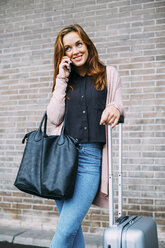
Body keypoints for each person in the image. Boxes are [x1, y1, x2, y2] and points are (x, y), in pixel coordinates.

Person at [47, 24, 124, 248]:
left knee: (65, 229)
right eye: (68, 48)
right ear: (63, 55)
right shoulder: (65, 79)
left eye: (78, 44)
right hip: (62, 159)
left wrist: (116, 110)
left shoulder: (108, 74)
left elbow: (117, 104)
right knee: (70, 229)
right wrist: (61, 79)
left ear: (87, 44)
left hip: (90, 159)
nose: (75, 51)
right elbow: (54, 117)